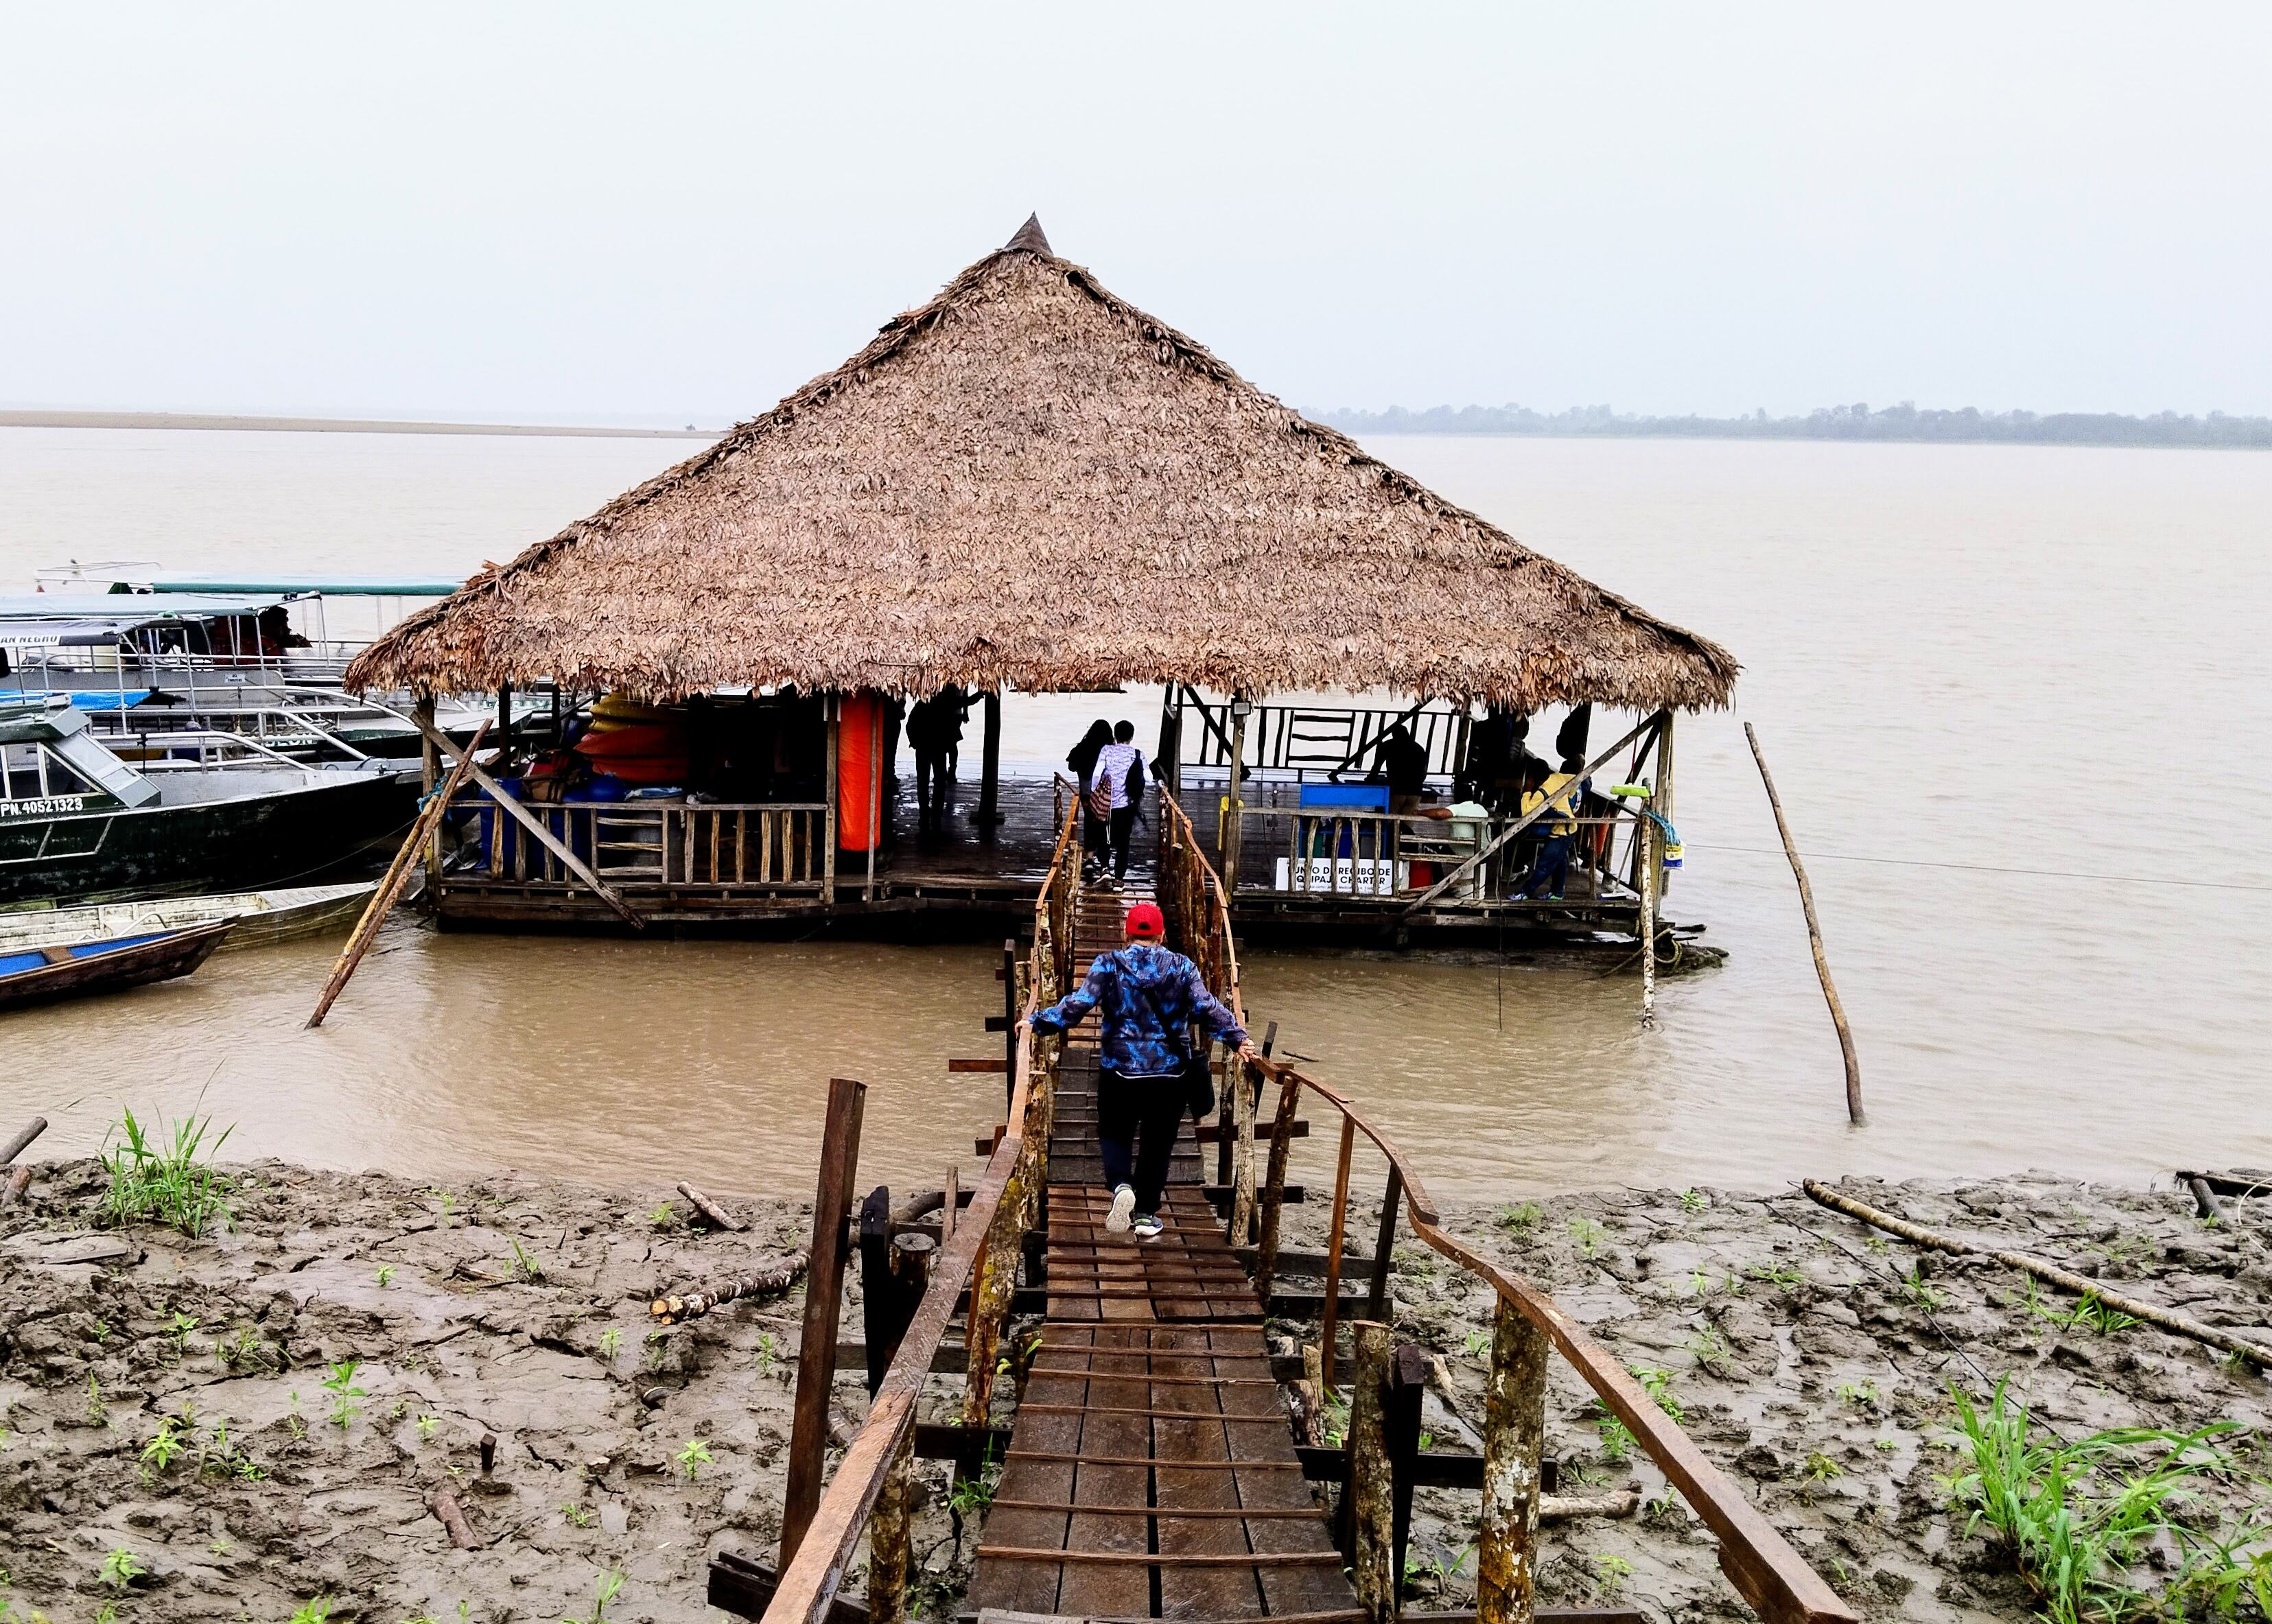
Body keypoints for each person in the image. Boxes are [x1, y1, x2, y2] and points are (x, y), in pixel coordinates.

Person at [1027, 900, 1256, 1240]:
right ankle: (1146, 1216)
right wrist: (1238, 1039)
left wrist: (1035, 1022)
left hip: (1120, 1071)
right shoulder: (1182, 967)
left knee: (1114, 1133)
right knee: (1158, 1144)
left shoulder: (1109, 965)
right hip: (1170, 1075)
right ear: (1162, 935)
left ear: (1126, 933)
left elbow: (1076, 1006)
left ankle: (1121, 1187)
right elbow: (1207, 1008)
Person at [1520, 754, 1589, 900]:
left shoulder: (1540, 793)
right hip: (1570, 828)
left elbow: (1526, 812)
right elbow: (1577, 780)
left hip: (1561, 832)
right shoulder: (1558, 778)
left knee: (1545, 865)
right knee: (1560, 862)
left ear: (1533, 778)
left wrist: (1527, 790)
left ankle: (1526, 892)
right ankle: (1557, 893)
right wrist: (1569, 797)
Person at [1089, 721, 1146, 886]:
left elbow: (1097, 773)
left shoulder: (1107, 750)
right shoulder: (1137, 754)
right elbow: (1148, 777)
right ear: (1132, 737)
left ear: (1115, 735)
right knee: (1123, 842)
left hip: (1107, 804)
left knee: (1103, 835)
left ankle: (1105, 868)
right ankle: (1119, 879)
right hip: (1127, 806)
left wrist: (1095, 791)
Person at [906, 693, 956, 836]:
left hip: (923, 749)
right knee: (940, 783)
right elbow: (950, 729)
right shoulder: (942, 706)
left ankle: (924, 814)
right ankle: (936, 814)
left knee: (923, 782)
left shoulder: (921, 705)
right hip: (938, 749)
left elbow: (909, 726)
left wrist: (914, 742)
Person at [1068, 719, 1113, 876]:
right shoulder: (1110, 751)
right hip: (1105, 795)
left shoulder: (1083, 747)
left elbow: (1071, 766)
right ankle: (1104, 863)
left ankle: (1089, 859)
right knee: (1105, 825)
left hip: (1087, 794)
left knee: (1089, 823)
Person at [1366, 722, 1430, 814]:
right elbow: (1423, 774)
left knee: (1390, 823)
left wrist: (1370, 780)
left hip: (1396, 791)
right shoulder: (1419, 748)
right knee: (1406, 824)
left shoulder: (1388, 745)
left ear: (1393, 734)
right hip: (1415, 792)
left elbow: (1376, 767)